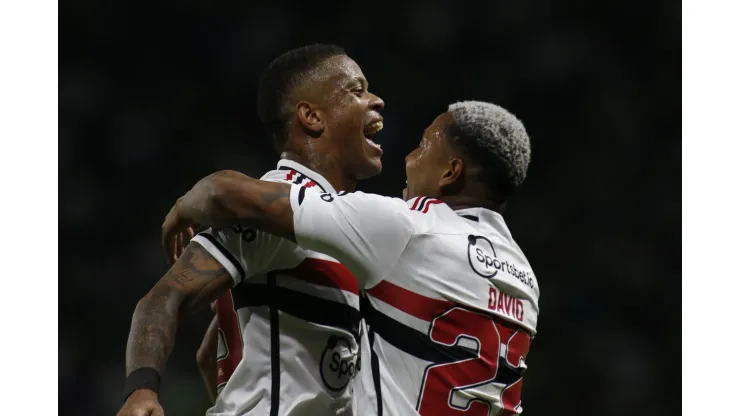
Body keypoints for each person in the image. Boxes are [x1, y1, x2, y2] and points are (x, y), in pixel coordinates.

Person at [162, 101, 540, 415]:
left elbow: (234, 195)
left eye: (424, 146)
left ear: (450, 172)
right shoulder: (525, 279)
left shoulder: (410, 228)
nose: (408, 157)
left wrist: (192, 199)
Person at [117, 43, 386, 416]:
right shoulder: (278, 208)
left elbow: (210, 353)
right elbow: (163, 298)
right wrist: (141, 391)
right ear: (311, 116)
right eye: (356, 90)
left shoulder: (336, 220)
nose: (376, 100)